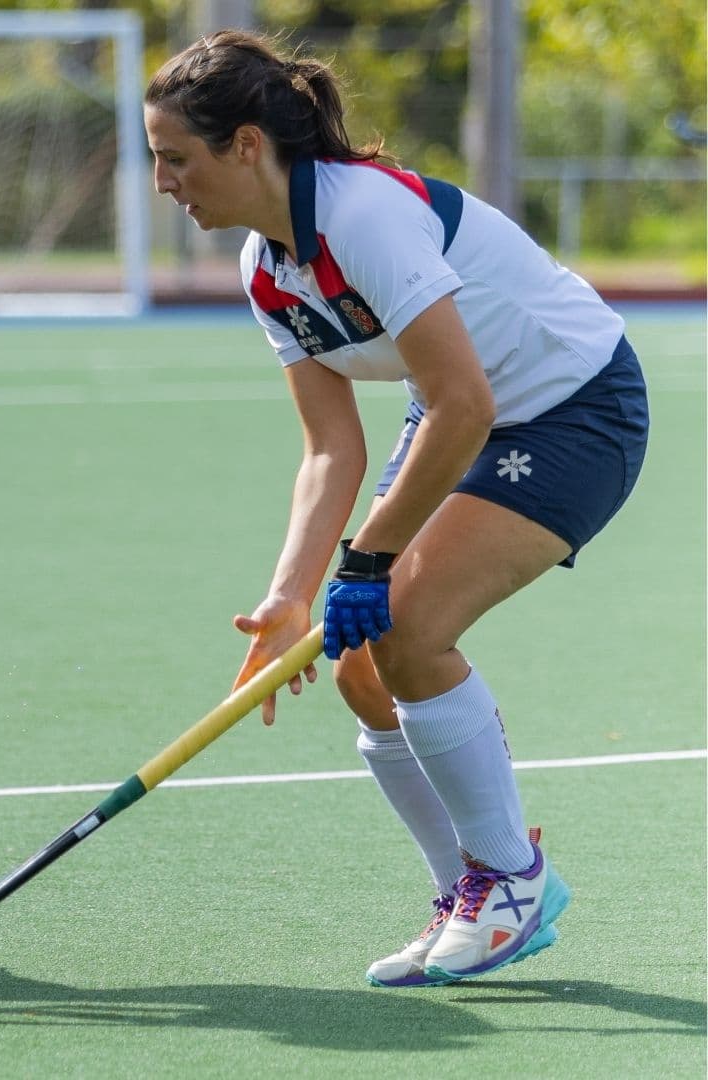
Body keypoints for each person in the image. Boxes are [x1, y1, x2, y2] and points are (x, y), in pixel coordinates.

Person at [143, 31, 648, 987]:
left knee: (408, 628)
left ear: (247, 144)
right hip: (462, 411)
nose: (163, 181)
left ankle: (511, 881)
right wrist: (292, 593)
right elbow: (331, 445)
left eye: (177, 158)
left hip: (575, 407)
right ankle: (466, 889)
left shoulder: (362, 217)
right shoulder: (266, 267)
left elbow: (467, 402)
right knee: (361, 671)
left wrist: (367, 563)